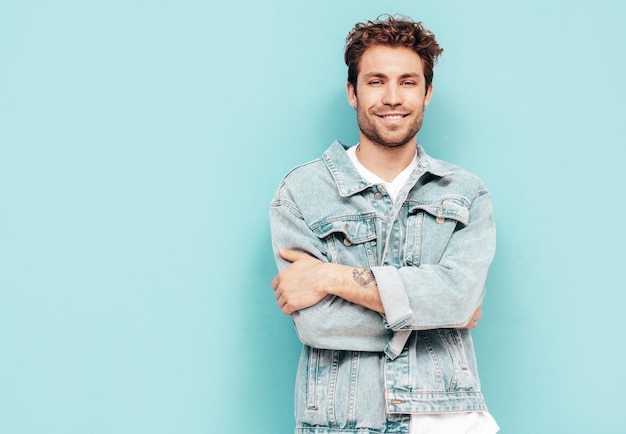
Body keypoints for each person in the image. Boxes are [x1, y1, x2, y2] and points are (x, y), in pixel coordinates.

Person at [270, 14, 499, 434]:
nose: (392, 97)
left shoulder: (467, 193)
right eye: (376, 81)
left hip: (448, 419)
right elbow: (317, 323)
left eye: (408, 82)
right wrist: (435, 313)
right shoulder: (301, 192)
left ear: (427, 93)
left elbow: (458, 299)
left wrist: (330, 276)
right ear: (352, 93)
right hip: (343, 422)